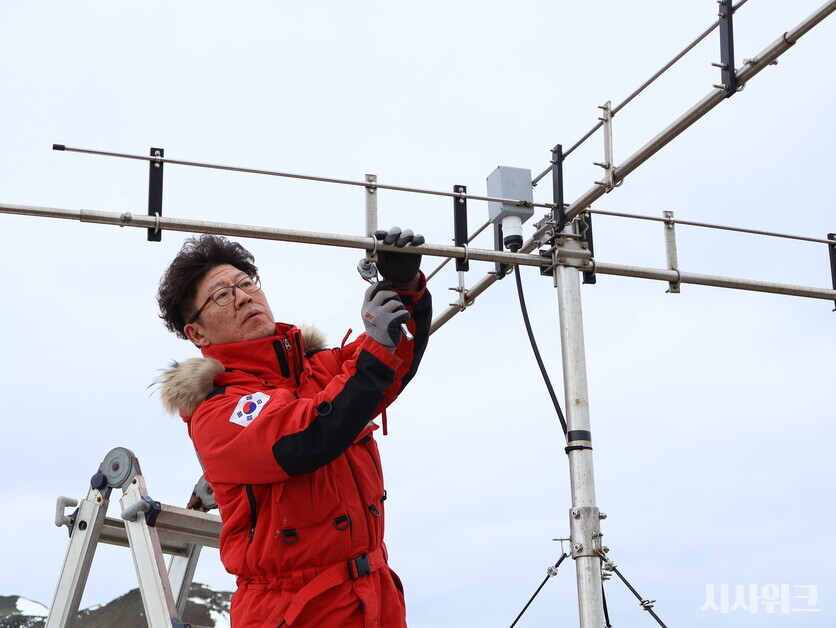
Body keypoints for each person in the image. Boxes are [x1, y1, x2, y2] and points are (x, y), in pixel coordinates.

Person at [155, 229, 431, 627]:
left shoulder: (321, 366)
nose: (244, 296)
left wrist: (405, 289)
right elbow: (308, 437)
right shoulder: (217, 412)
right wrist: (375, 350)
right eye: (222, 295)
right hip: (293, 611)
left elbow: (395, 361)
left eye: (246, 283)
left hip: (375, 598)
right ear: (196, 333)